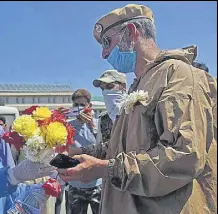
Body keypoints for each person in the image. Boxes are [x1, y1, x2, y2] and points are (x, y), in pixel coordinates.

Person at [58, 4, 217, 214]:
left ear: (132, 32)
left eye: (107, 42)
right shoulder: (141, 83)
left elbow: (183, 157)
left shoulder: (178, 75)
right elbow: (122, 148)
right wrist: (76, 153)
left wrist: (106, 169)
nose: (104, 54)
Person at [68, 70, 127, 159]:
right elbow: (103, 147)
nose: (105, 91)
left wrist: (92, 125)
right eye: (102, 89)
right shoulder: (104, 119)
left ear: (123, 87)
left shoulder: (136, 110)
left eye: (110, 86)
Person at [64, 89, 101, 214]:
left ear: (89, 106)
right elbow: (65, 151)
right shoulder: (67, 126)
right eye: (76, 105)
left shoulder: (98, 124)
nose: (79, 108)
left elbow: (103, 148)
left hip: (97, 184)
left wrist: (92, 126)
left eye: (82, 105)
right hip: (75, 184)